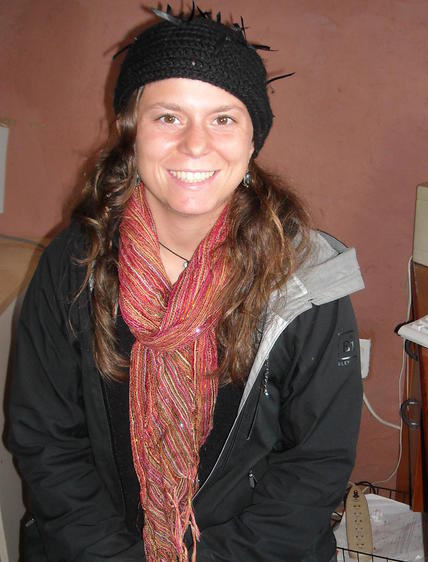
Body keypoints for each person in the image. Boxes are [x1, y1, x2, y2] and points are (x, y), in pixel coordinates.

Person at [7, 7, 363, 562]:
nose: (196, 146)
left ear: (253, 141)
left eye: (223, 119)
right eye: (168, 117)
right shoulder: (72, 265)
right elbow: (47, 441)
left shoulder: (306, 280)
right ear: (131, 131)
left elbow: (314, 465)